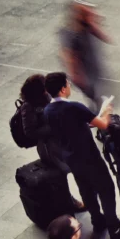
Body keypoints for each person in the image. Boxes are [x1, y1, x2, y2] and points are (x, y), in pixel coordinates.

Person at [43, 73, 120, 239]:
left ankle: (97, 221)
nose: (69, 86)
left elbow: (76, 124)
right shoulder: (74, 107)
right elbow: (104, 125)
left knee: (86, 190)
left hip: (70, 158)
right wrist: (106, 110)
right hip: (89, 157)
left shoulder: (48, 110)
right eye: (67, 84)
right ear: (62, 89)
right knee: (106, 189)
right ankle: (114, 227)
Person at [17, 74, 85, 213]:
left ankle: (76, 199)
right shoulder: (28, 107)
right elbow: (30, 132)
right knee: (63, 172)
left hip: (60, 142)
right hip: (49, 148)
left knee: (74, 168)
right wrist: (53, 126)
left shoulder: (46, 97)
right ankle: (70, 202)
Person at [60, 0, 111, 111]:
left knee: (96, 91)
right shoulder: (69, 34)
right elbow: (69, 57)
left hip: (92, 67)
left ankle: (97, 106)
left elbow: (103, 36)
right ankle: (97, 109)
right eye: (85, 14)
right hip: (82, 72)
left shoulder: (86, 26)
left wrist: (92, 19)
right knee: (92, 93)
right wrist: (76, 74)